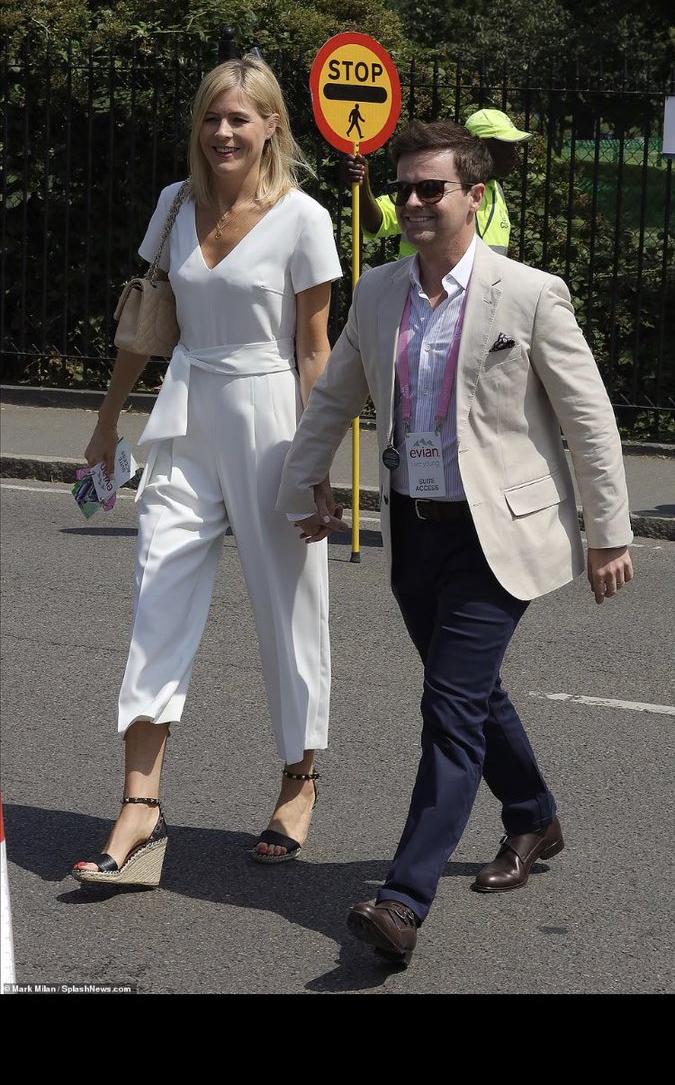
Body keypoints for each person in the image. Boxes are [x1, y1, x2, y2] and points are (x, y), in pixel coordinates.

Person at [277, 118, 634, 966]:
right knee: (468, 692)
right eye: (403, 188)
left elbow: (588, 421)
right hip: (414, 525)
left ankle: (402, 901)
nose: (410, 202)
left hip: (496, 534)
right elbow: (335, 397)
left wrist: (606, 532)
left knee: (447, 707)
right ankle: (533, 817)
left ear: (475, 195)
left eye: (429, 188)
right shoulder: (379, 291)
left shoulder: (529, 293)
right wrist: (306, 483)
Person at [71, 54, 343, 888]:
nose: (223, 132)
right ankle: (141, 809)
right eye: (211, 118)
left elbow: (312, 349)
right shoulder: (175, 205)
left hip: (270, 421)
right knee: (156, 596)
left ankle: (298, 780)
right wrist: (109, 419)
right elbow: (146, 320)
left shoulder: (304, 218)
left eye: (239, 118)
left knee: (288, 611)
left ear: (270, 126)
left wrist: (319, 462)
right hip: (187, 411)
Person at [346, 106, 532, 258]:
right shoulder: (432, 188)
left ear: (477, 195)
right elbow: (375, 223)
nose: (513, 156)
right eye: (504, 147)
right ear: (479, 147)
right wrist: (362, 185)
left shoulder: (495, 191)